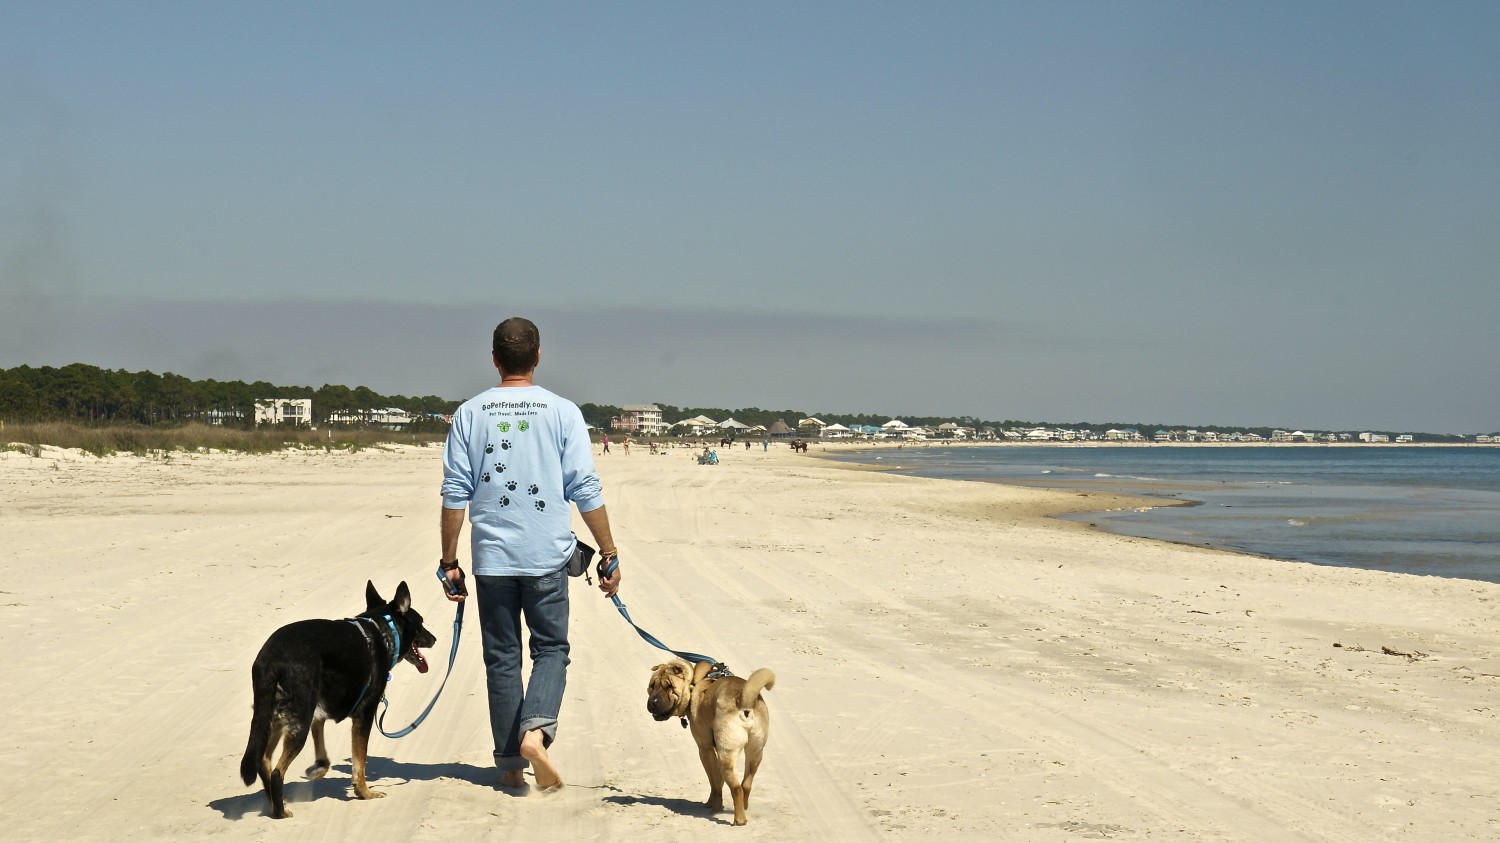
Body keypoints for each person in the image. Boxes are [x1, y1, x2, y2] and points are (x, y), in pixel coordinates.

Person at [438, 317, 621, 794]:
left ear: (496, 358)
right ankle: (535, 734)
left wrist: (449, 561)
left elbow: (455, 493)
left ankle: (511, 767)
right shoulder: (563, 412)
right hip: (546, 558)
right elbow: (584, 487)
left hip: (492, 560)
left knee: (501, 657)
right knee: (551, 650)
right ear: (537, 357)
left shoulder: (470, 413)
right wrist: (608, 551)